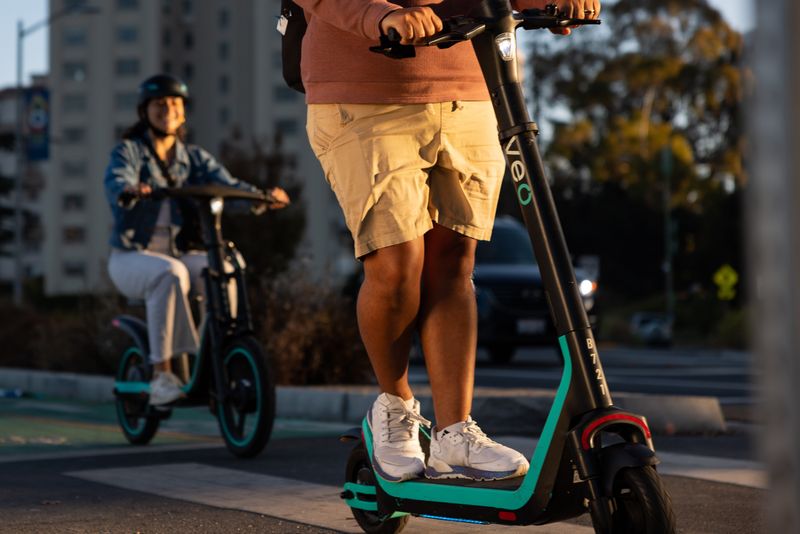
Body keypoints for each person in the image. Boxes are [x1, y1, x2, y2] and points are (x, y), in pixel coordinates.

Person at [297, 0, 600, 482]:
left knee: (457, 263)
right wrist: (379, 15)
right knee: (397, 262)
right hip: (364, 95)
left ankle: (454, 430)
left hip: (473, 90)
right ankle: (394, 407)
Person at [104, 74, 289, 406]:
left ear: (184, 111)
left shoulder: (194, 158)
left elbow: (227, 186)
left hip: (177, 253)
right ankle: (162, 375)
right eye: (159, 104)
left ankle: (222, 352)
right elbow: (117, 180)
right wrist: (130, 189)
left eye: (175, 103)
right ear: (145, 111)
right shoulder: (129, 152)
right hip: (131, 256)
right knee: (170, 273)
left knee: (224, 268)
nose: (168, 110)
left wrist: (261, 197)